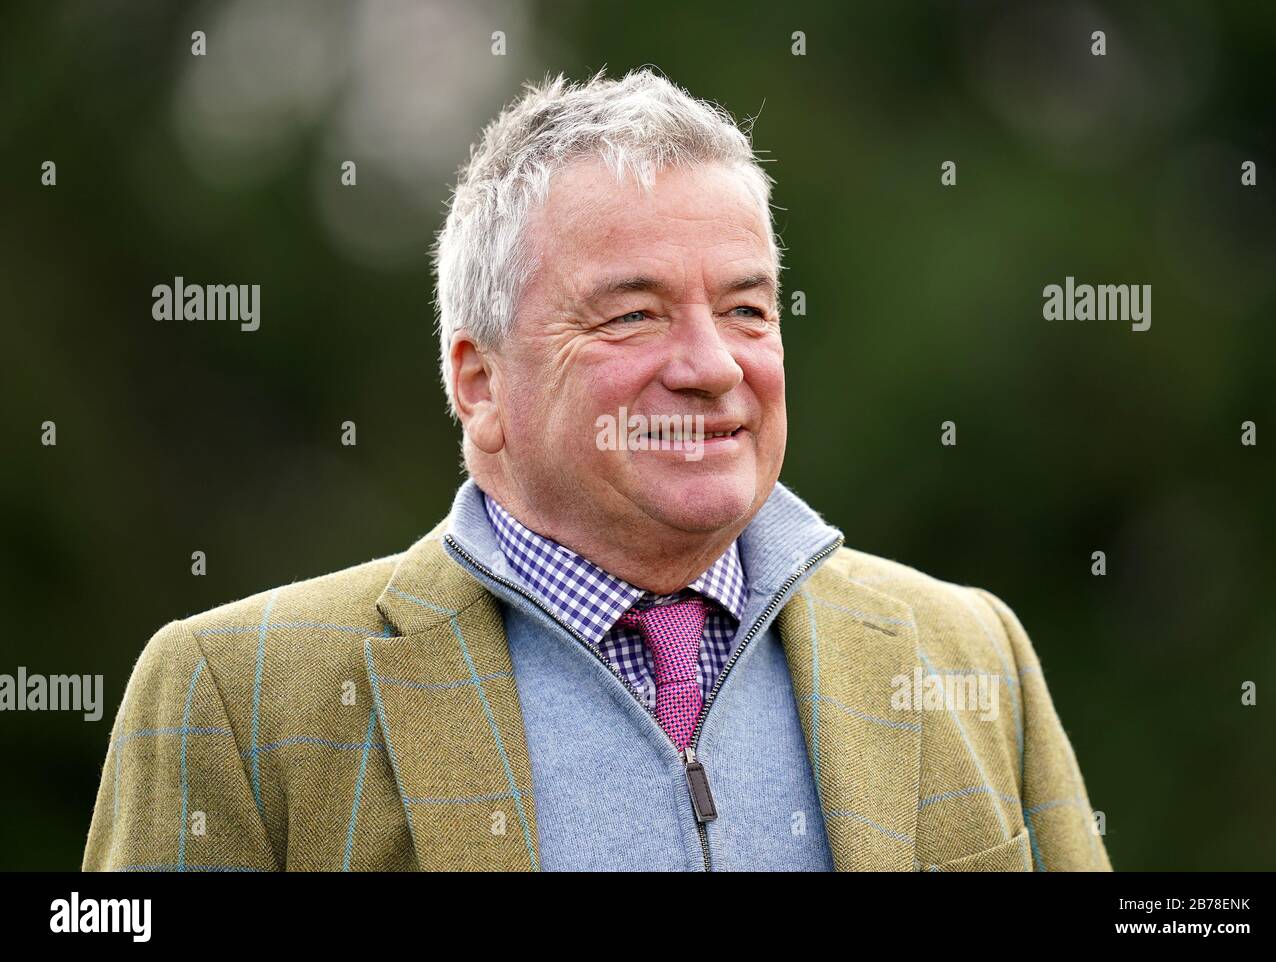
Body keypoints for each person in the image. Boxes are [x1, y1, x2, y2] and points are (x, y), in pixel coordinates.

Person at [83, 67, 1109, 872]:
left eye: (747, 309)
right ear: (479, 382)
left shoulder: (969, 652)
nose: (712, 366)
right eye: (633, 315)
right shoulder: (236, 695)